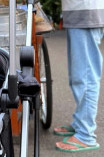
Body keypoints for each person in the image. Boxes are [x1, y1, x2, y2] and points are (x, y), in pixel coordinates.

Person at [53, 0, 104, 152]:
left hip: (86, 11)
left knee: (86, 78)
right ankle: (80, 122)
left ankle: (86, 135)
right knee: (78, 77)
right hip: (79, 12)